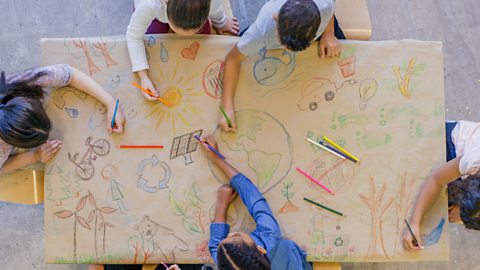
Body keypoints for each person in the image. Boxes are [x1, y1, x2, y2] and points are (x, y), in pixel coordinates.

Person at [219, 0, 344, 132]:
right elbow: (233, 59)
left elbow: (330, 7)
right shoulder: (262, 29)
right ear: (275, 18)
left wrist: (328, 33)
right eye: (284, 45)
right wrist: (227, 106)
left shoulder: (325, 5)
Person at [201, 135, 311, 269]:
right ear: (261, 250)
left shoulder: (229, 262)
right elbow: (255, 200)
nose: (229, 233)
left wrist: (222, 205)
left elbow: (215, 246)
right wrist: (217, 159)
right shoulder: (269, 238)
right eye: (236, 236)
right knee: (286, 247)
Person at [0, 64, 125, 174]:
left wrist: (111, 103)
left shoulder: (17, 84)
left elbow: (70, 74)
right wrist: (34, 156)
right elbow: (2, 168)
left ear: (27, 100)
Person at [126, 0, 239, 101]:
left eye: (195, 30)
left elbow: (215, 8)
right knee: (151, 40)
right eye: (176, 30)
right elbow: (133, 36)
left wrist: (221, 22)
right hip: (155, 13)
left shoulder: (211, 2)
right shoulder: (150, 5)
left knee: (203, 38)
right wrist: (143, 76)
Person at [403, 121, 480, 251]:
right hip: (455, 144)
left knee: (442, 209)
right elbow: (435, 180)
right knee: (411, 178)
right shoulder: (474, 160)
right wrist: (414, 223)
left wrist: (462, 216)